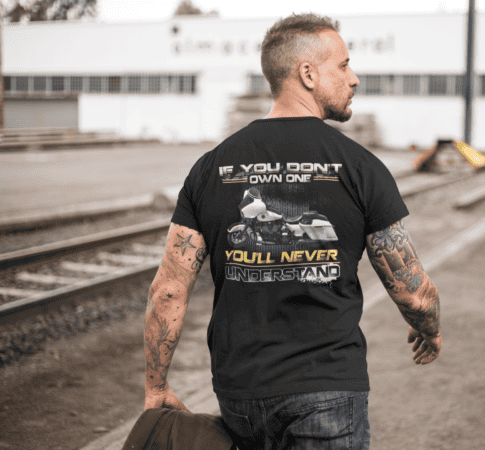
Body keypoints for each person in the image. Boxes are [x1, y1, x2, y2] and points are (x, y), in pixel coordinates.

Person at [143, 12, 441, 450]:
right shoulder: (360, 167)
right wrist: (428, 327)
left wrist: (156, 386)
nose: (354, 78)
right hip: (327, 388)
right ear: (308, 74)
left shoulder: (210, 168)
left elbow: (168, 290)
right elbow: (414, 294)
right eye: (343, 65)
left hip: (240, 393)